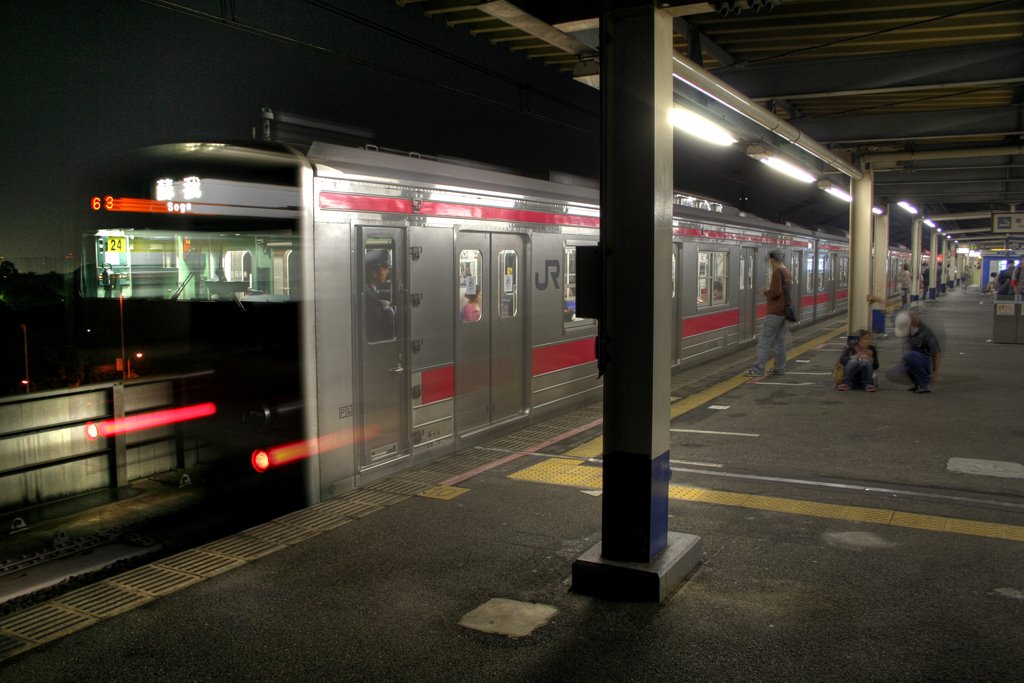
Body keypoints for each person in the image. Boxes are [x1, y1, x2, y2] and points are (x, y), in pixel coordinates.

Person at [744, 250, 792, 377]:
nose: (770, 264)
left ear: (774, 260)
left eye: (770, 261)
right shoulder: (787, 272)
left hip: (775, 312)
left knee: (765, 340)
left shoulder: (777, 273)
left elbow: (775, 292)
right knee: (780, 342)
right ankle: (780, 368)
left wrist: (766, 291)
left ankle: (758, 368)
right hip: (783, 312)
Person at [887, 307, 941, 393]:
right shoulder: (903, 319)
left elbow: (937, 353)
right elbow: (890, 310)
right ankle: (917, 383)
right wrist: (878, 300)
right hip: (913, 357)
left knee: (908, 355)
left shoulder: (926, 332)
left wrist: (935, 372)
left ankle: (925, 384)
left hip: (925, 360)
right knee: (893, 373)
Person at [364, 249, 396, 342]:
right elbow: (383, 327)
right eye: (385, 267)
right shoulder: (370, 298)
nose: (387, 271)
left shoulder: (368, 290)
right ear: (374, 272)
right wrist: (389, 310)